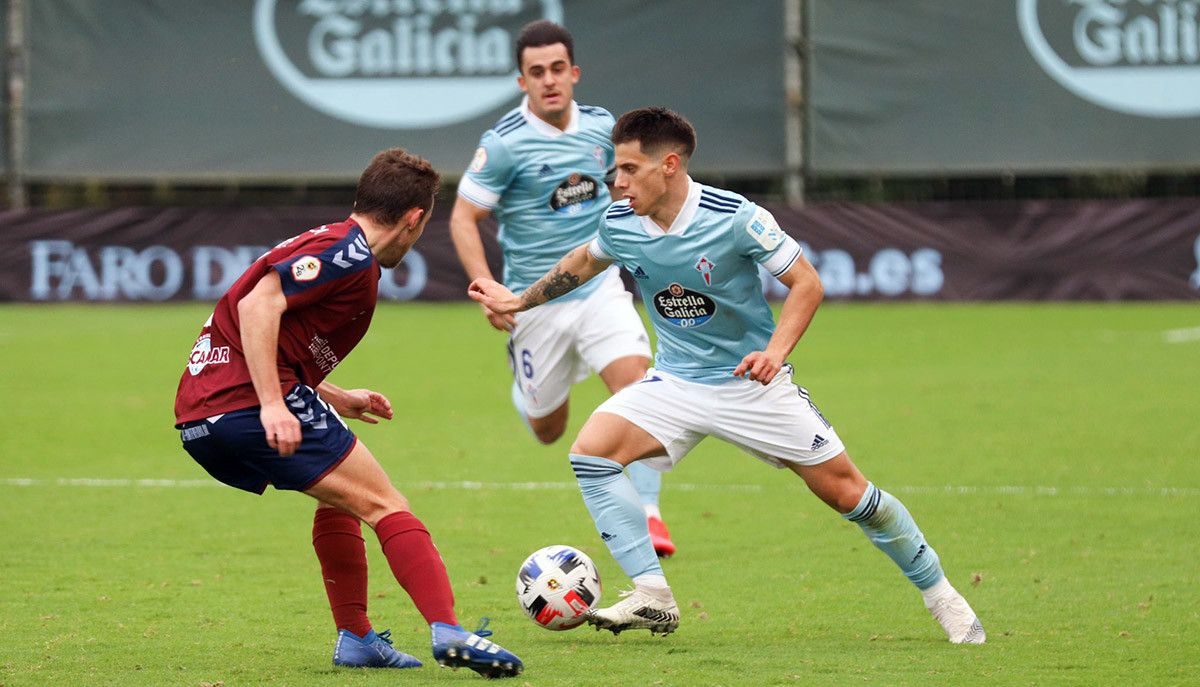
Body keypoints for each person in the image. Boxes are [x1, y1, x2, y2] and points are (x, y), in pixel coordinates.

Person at [468, 109, 986, 644]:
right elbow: (581, 262)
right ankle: (652, 595)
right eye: (612, 171)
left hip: (750, 385)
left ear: (668, 165)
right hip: (674, 383)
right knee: (591, 453)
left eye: (626, 169)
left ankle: (942, 595)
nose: (616, 183)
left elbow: (806, 283)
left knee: (851, 495)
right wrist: (521, 300)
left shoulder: (736, 216)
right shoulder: (619, 221)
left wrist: (774, 353)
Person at [173, 148, 524, 677]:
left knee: (340, 502)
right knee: (386, 503)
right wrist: (272, 404)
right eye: (424, 224)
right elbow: (256, 307)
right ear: (414, 218)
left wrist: (337, 397)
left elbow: (278, 336)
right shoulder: (347, 253)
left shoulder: (337, 246)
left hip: (203, 417)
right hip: (247, 405)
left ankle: (357, 638)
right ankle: (449, 629)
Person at [449, 20, 678, 557]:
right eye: (537, 72)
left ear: (574, 73)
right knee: (548, 428)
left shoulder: (603, 128)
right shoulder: (503, 145)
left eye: (558, 69)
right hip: (535, 304)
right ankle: (529, 388)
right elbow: (463, 219)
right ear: (522, 81)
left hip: (600, 288)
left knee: (637, 390)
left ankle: (648, 513)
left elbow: (631, 187)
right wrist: (485, 285)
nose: (549, 80)